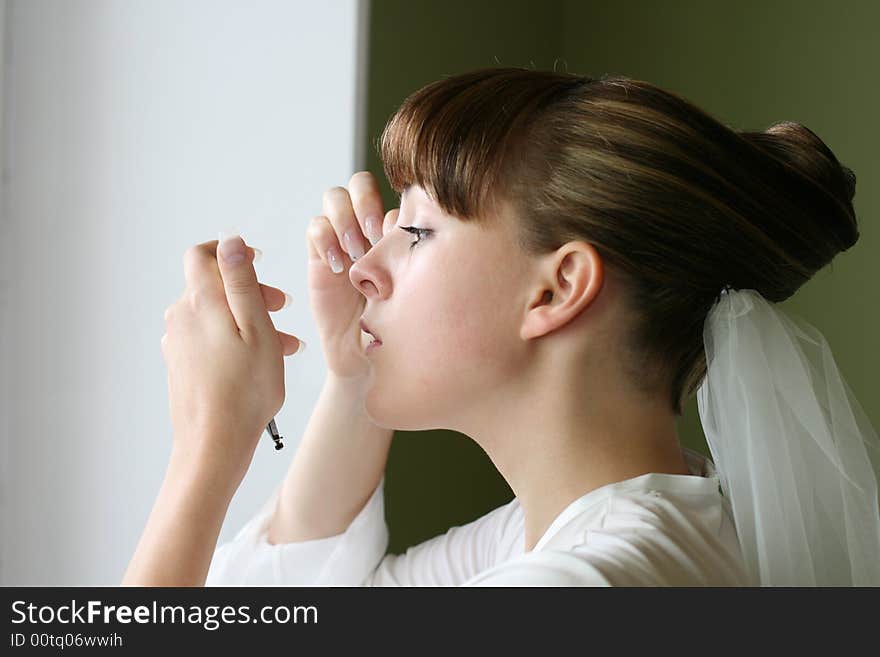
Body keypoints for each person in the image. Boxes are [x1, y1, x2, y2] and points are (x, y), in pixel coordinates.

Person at [123, 67, 880, 587]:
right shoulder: (611, 527)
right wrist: (352, 373)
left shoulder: (584, 582)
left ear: (556, 287)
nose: (364, 267)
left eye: (415, 232)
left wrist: (205, 449)